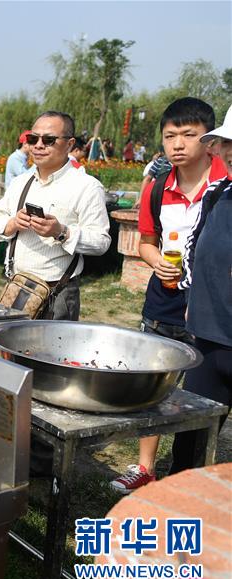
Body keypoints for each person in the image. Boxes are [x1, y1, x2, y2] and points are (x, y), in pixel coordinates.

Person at [109, 98, 226, 493]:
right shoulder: (158, 187)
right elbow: (145, 241)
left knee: (198, 392)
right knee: (153, 382)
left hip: (210, 306)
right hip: (165, 298)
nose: (178, 144)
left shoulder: (223, 184)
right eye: (169, 136)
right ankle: (144, 465)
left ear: (210, 140)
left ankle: (186, 473)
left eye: (189, 135)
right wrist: (156, 260)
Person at [0, 111, 111, 320]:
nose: (39, 145)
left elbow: (101, 242)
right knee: (7, 351)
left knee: (50, 353)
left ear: (69, 144)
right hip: (17, 286)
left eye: (49, 140)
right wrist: (13, 223)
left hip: (57, 293)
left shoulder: (86, 187)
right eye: (33, 139)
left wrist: (61, 232)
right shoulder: (21, 182)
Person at [170, 103, 232, 475]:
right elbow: (195, 247)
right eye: (226, 144)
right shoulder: (218, 194)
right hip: (208, 338)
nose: (227, 152)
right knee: (191, 437)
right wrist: (194, 297)